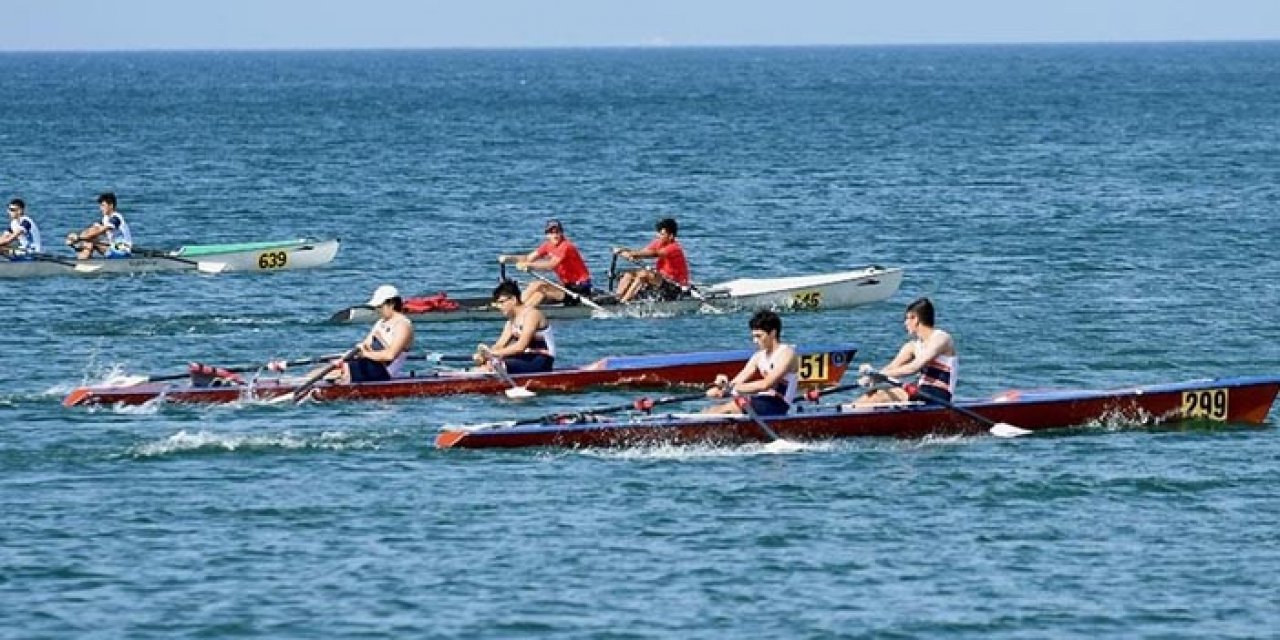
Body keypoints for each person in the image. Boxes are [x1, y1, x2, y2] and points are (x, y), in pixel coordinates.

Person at [852, 297, 957, 407]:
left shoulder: (941, 338)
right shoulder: (911, 346)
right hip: (921, 391)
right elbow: (892, 367)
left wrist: (879, 375)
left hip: (939, 395)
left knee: (881, 396)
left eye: (907, 319)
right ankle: (847, 414)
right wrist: (871, 378)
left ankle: (846, 419)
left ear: (915, 319)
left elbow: (913, 368)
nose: (905, 323)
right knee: (873, 394)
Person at [704, 310, 799, 416]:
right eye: (753, 336)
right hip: (761, 401)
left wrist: (732, 388)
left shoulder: (786, 353)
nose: (754, 341)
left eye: (759, 336)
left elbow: (765, 384)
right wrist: (721, 388)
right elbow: (737, 381)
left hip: (779, 405)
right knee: (712, 410)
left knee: (727, 408)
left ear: (773, 333)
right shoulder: (758, 356)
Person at [496, 218, 593, 308]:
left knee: (541, 291)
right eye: (551, 232)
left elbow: (551, 265)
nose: (555, 235)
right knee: (535, 284)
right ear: (547, 235)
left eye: (557, 232)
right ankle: (516, 305)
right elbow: (528, 258)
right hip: (567, 287)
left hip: (579, 289)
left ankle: (519, 310)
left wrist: (529, 265)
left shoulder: (566, 246)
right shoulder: (547, 245)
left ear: (562, 233)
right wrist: (509, 258)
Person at [473, 280, 556, 374]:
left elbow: (520, 347)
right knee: (488, 363)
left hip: (542, 359)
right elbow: (499, 345)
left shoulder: (532, 315)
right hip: (524, 358)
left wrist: (492, 354)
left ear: (513, 300)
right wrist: (484, 355)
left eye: (501, 302)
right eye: (497, 304)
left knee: (495, 364)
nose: (499, 307)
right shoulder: (510, 322)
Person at [338, 285, 415, 383]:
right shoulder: (380, 322)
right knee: (334, 367)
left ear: (391, 304)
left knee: (342, 370)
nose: (377, 310)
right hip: (372, 365)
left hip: (386, 371)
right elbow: (365, 344)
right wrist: (350, 355)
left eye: (379, 307)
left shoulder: (403, 325)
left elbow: (390, 356)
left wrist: (365, 354)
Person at [612, 217, 691, 303]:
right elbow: (641, 253)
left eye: (662, 234)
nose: (658, 236)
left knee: (644, 274)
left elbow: (653, 254)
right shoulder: (659, 242)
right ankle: (616, 298)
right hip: (661, 281)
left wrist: (628, 253)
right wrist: (623, 250)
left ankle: (623, 302)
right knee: (628, 274)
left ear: (671, 236)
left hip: (675, 286)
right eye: (659, 233)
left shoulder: (674, 248)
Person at [67, 192, 133, 259]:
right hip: (114, 248)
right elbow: (91, 230)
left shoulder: (116, 218)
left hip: (123, 250)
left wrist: (78, 238)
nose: (101, 208)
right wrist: (74, 238)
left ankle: (80, 263)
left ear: (111, 206)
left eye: (103, 205)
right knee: (89, 238)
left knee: (90, 241)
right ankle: (82, 261)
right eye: (100, 206)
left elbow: (99, 230)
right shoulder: (105, 219)